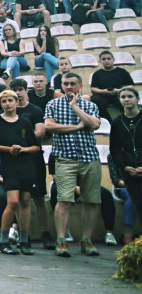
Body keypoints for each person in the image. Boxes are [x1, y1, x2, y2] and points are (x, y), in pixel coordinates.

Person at [44, 72, 102, 257]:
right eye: (65, 84)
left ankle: (86, 240)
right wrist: (77, 127)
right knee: (64, 200)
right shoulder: (52, 104)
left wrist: (75, 108)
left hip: (89, 157)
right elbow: (50, 127)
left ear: (80, 86)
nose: (68, 87)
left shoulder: (90, 105)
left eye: (72, 84)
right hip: (65, 158)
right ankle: (61, 241)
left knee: (91, 201)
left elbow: (94, 124)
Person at [0, 89, 41, 254]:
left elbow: (36, 146)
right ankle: (4, 240)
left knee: (25, 201)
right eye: (4, 101)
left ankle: (24, 241)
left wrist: (23, 149)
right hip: (9, 166)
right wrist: (8, 149)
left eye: (10, 100)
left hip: (26, 165)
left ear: (16, 102)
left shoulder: (24, 122)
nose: (7, 104)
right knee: (13, 202)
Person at [10, 78, 57, 249]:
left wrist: (18, 138)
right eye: (14, 89)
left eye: (21, 89)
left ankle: (45, 233)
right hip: (15, 160)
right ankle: (25, 235)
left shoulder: (35, 110)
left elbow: (40, 132)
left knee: (38, 197)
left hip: (34, 158)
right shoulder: (7, 111)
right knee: (20, 198)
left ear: (26, 91)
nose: (18, 92)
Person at [110, 87, 142, 228]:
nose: (127, 99)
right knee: (138, 204)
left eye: (130, 96)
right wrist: (124, 167)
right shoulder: (117, 122)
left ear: (137, 99)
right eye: (123, 97)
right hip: (129, 170)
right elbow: (114, 149)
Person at [90, 50, 133, 121]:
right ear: (100, 61)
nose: (106, 61)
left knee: (126, 98)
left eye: (109, 59)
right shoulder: (97, 74)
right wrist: (103, 91)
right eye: (104, 59)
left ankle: (126, 120)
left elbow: (131, 86)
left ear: (113, 60)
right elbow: (93, 88)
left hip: (119, 94)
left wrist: (119, 91)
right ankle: (108, 121)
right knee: (94, 99)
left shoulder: (122, 72)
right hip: (103, 96)